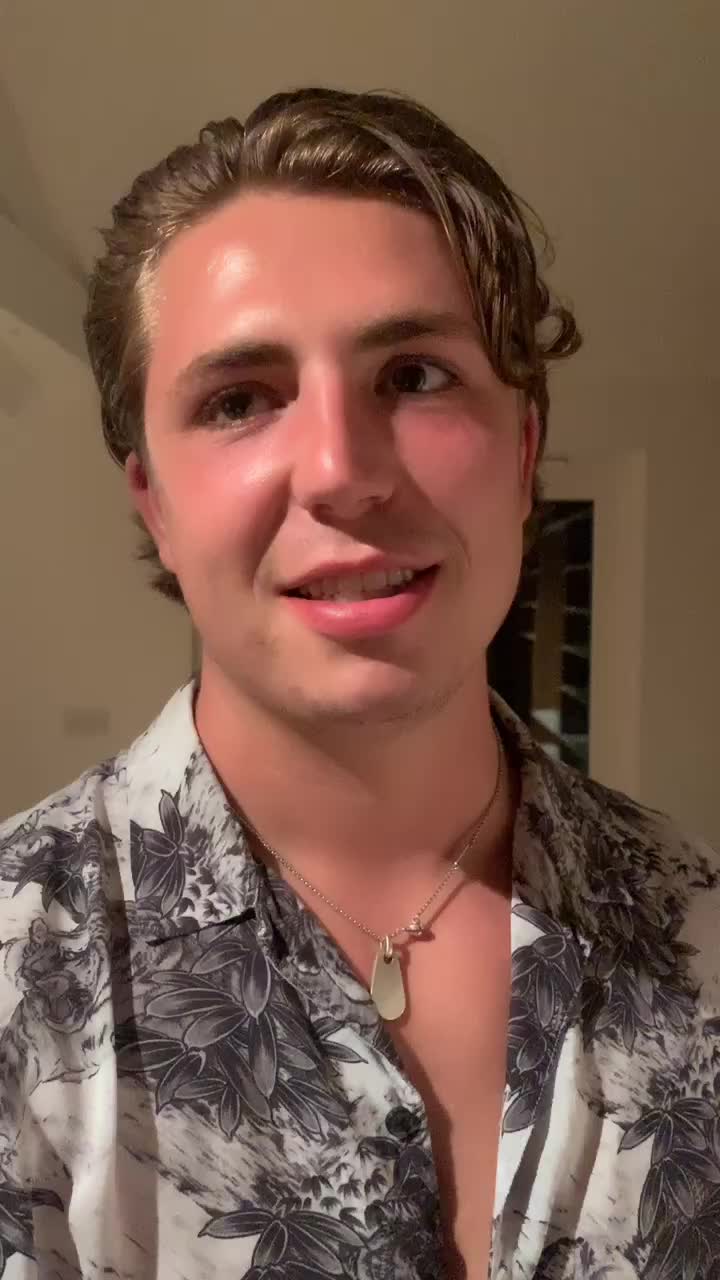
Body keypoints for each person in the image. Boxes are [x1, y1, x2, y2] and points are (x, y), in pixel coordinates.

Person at [0, 87, 717, 1280]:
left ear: (524, 450)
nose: (340, 469)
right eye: (240, 399)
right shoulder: (16, 965)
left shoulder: (698, 927)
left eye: (416, 375)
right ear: (154, 502)